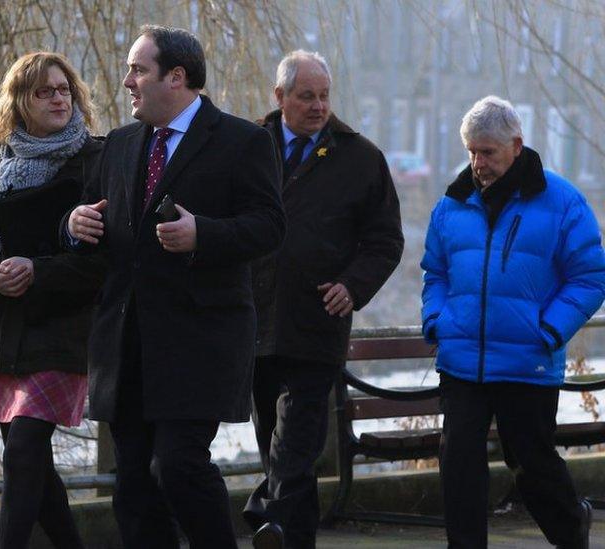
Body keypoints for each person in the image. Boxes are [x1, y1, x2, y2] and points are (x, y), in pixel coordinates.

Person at [65, 25, 284, 549]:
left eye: (138, 70)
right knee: (134, 485)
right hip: (127, 344)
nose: (127, 81)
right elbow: (97, 226)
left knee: (178, 467)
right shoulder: (117, 145)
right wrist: (72, 226)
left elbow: (269, 227)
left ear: (177, 77)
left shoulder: (242, 141)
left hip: (200, 342)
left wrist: (201, 234)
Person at [421, 95, 603, 549]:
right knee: (458, 462)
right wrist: (436, 319)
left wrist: (549, 330)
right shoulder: (453, 202)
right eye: (471, 151)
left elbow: (590, 276)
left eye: (487, 152)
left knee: (532, 465)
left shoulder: (562, 201)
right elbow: (435, 272)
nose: (477, 162)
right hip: (462, 361)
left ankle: (570, 530)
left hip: (528, 362)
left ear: (516, 146)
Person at [244, 50, 404, 549]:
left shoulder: (360, 158)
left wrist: (353, 286)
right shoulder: (248, 147)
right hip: (254, 324)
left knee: (294, 444)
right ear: (280, 97)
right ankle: (292, 537)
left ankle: (263, 513)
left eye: (324, 96)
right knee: (279, 446)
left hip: (316, 324)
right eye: (306, 96)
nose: (318, 107)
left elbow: (385, 241)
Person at [0, 51, 105, 549]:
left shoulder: (95, 160)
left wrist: (37, 271)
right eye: (44, 91)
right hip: (2, 332)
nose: (58, 98)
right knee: (32, 468)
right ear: (20, 102)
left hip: (64, 328)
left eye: (64, 89)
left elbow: (104, 261)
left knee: (22, 455)